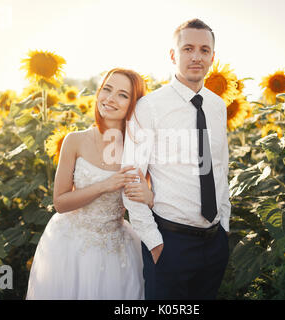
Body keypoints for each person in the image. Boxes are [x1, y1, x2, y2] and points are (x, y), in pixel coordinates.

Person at [122, 19, 231, 300]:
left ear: (212, 57)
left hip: (214, 242)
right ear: (173, 55)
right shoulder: (149, 107)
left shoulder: (218, 107)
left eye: (204, 50)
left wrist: (225, 230)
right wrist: (155, 243)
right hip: (170, 244)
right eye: (188, 49)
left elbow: (220, 169)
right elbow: (131, 177)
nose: (196, 57)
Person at [26, 68, 150, 300]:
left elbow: (149, 203)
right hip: (69, 246)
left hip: (116, 250)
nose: (111, 98)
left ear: (135, 104)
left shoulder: (139, 151)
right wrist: (105, 185)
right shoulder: (75, 141)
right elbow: (60, 203)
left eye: (123, 95)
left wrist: (146, 194)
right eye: (107, 89)